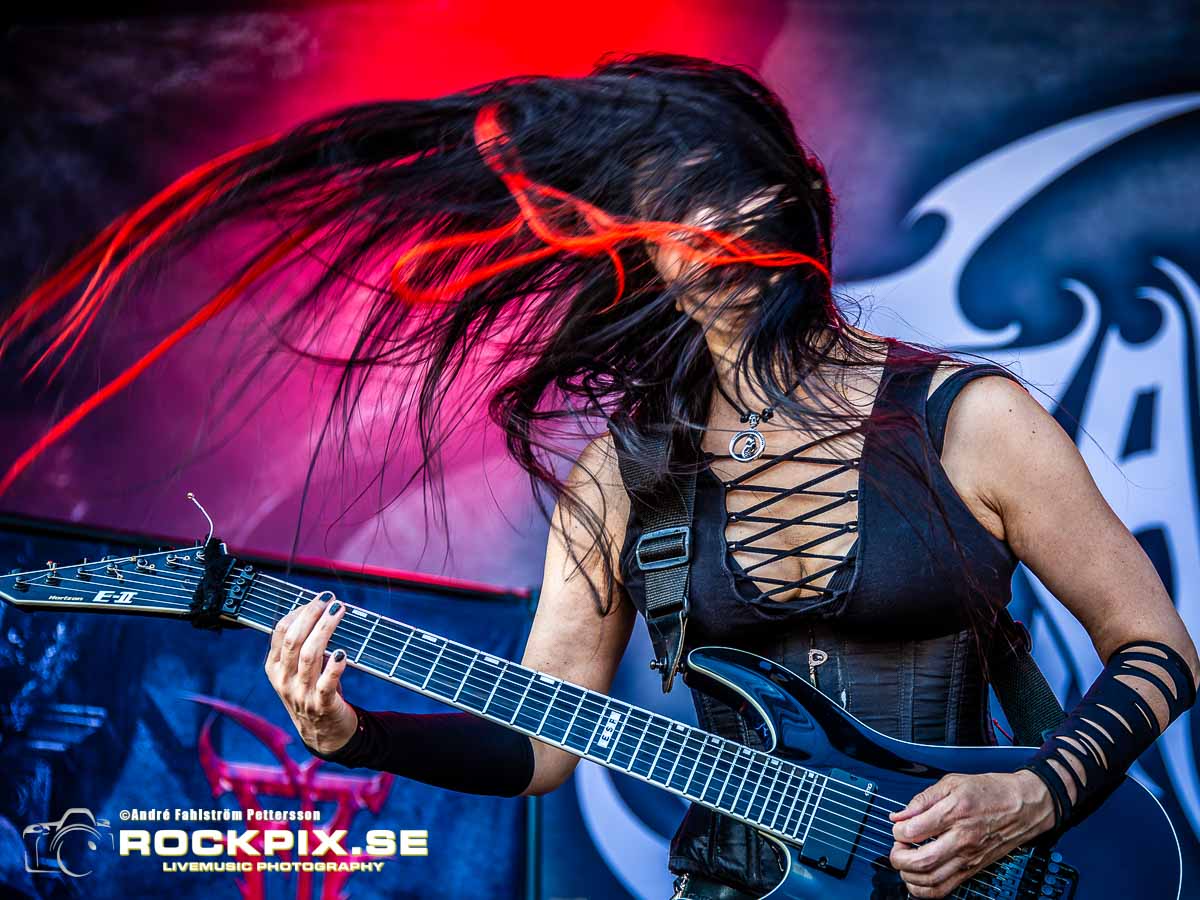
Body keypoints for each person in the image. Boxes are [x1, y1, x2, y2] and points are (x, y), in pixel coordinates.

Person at [6, 53, 1197, 900]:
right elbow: (541, 746)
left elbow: (1160, 646)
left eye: (737, 192)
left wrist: (1038, 795)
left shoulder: (967, 419)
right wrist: (352, 733)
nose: (717, 229)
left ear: (801, 201)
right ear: (640, 252)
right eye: (676, 211)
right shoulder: (626, 479)